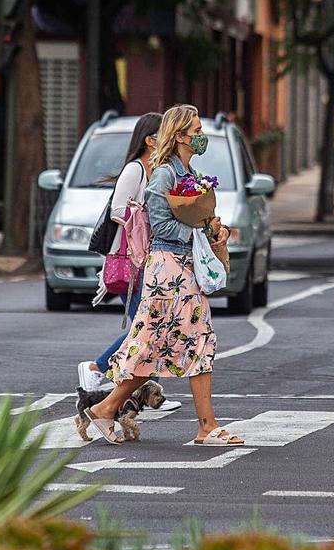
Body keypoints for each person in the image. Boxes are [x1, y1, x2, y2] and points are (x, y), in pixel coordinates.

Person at [83, 104, 244, 446]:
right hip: (169, 270)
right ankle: (202, 426)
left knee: (188, 342)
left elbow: (188, 219)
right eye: (196, 131)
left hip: (184, 270)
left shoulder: (188, 174)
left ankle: (107, 409)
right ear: (180, 135)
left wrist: (211, 228)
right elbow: (161, 225)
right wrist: (197, 231)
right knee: (167, 343)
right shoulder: (163, 175)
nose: (201, 137)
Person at [76, 113, 183, 411]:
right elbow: (118, 209)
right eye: (165, 135)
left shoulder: (160, 169)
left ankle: (137, 390)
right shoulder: (135, 170)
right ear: (150, 140)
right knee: (145, 327)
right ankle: (98, 369)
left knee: (149, 328)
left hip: (151, 259)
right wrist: (147, 220)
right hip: (132, 259)